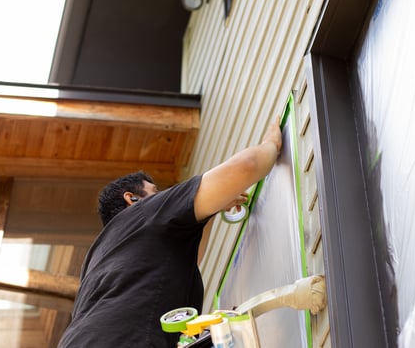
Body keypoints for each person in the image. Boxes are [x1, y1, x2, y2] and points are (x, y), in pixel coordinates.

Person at [58, 117, 283, 347]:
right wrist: (271, 144)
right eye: (156, 192)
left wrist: (214, 206)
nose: (162, 197)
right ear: (131, 198)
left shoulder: (102, 260)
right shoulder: (144, 213)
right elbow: (246, 166)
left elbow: (179, 259)